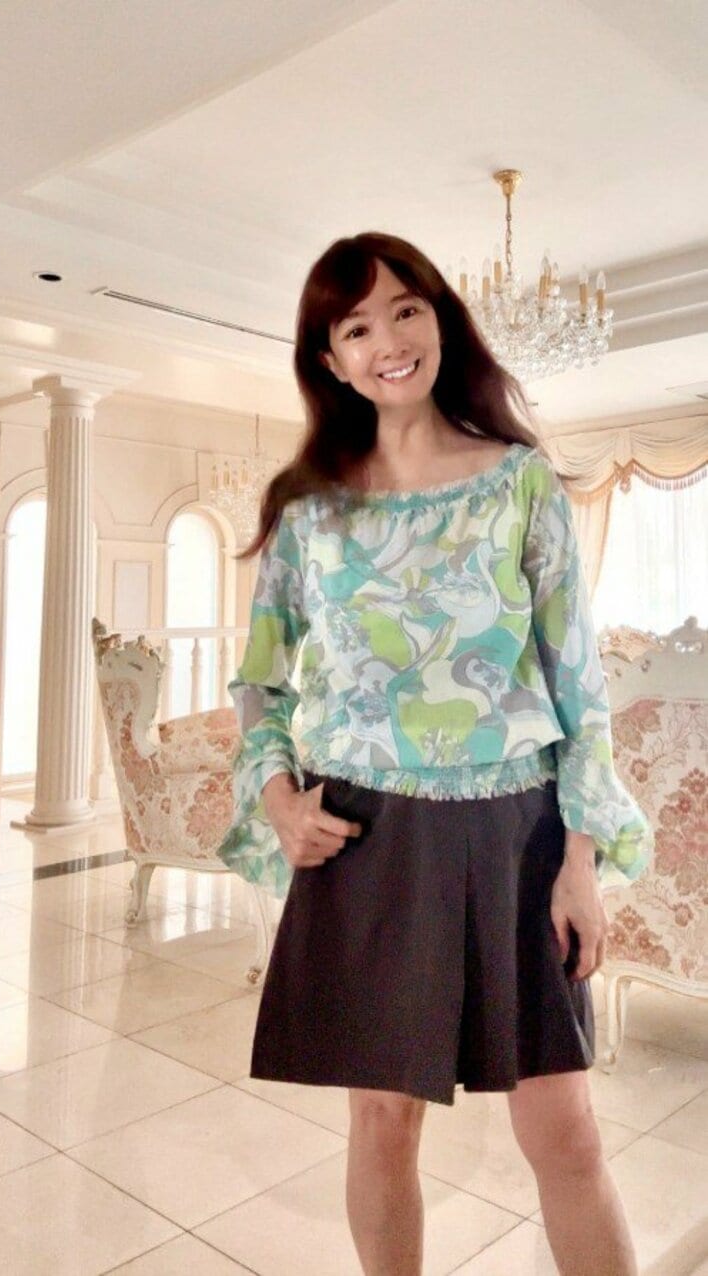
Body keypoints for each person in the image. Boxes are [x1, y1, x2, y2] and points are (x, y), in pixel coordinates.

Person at [218, 231, 652, 1276]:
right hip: (365, 836)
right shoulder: (309, 510)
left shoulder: (521, 485)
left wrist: (581, 861)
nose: (388, 342)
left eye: (405, 310)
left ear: (441, 321)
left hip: (518, 834)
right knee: (380, 1123)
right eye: (356, 327)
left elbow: (580, 686)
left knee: (566, 1129)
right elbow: (260, 682)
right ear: (331, 361)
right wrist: (276, 796)